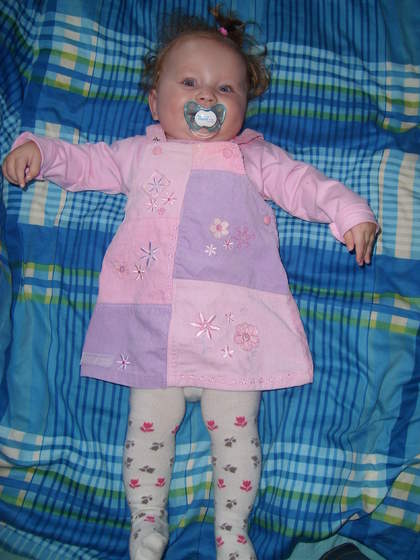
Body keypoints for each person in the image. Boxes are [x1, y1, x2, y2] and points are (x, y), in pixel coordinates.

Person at [2, 7, 378, 560]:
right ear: (155, 102)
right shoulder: (139, 154)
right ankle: (146, 522)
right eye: (190, 83)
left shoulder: (253, 158)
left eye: (225, 88)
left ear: (243, 109)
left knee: (237, 432)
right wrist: (41, 151)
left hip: (232, 329)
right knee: (147, 429)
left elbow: (306, 185)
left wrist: (350, 213)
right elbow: (84, 163)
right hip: (151, 325)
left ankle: (233, 531)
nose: (207, 96)